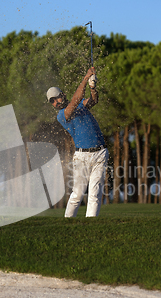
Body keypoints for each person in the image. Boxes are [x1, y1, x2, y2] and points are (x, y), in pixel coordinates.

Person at [46, 67, 108, 217]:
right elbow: (76, 99)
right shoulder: (62, 115)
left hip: (100, 153)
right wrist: (86, 77)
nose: (55, 102)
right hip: (82, 157)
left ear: (63, 95)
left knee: (95, 193)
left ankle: (90, 225)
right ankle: (68, 223)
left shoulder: (80, 106)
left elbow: (93, 100)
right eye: (52, 101)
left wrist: (93, 87)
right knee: (77, 195)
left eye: (56, 98)